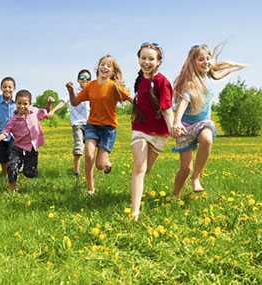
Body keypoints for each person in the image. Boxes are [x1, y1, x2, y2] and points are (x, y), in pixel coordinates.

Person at [172, 44, 246, 197]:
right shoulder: (190, 83)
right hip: (185, 126)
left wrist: (234, 65)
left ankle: (196, 177)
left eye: (208, 58)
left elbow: (220, 71)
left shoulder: (209, 76)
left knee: (207, 139)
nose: (205, 61)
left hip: (203, 123)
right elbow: (182, 103)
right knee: (185, 168)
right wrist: (177, 122)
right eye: (201, 59)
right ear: (193, 62)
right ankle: (174, 196)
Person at [66, 54, 131, 195]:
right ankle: (90, 189)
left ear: (113, 72)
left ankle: (106, 163)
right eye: (103, 64)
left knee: (100, 165)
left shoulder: (114, 87)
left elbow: (131, 99)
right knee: (88, 155)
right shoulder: (91, 86)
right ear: (98, 67)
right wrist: (71, 92)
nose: (105, 67)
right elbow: (75, 102)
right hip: (92, 125)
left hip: (108, 129)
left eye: (109, 65)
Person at [129, 42, 174, 220]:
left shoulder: (163, 82)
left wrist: (173, 130)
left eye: (151, 59)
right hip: (140, 129)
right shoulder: (139, 80)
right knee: (139, 167)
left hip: (159, 133)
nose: (146, 62)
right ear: (139, 59)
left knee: (145, 169)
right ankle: (135, 212)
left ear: (158, 61)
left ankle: (135, 190)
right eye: (143, 58)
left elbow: (167, 109)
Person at [0, 90, 63, 191]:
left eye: (25, 104)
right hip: (17, 147)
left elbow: (46, 113)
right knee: (12, 166)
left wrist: (49, 104)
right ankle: (12, 188)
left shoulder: (34, 112)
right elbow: (6, 131)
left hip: (31, 148)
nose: (22, 106)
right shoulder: (13, 120)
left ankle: (23, 168)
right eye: (19, 103)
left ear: (30, 104)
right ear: (15, 103)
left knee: (30, 173)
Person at [57, 69, 92, 177]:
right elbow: (64, 101)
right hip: (77, 123)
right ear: (78, 80)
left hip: (91, 124)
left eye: (87, 78)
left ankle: (89, 171)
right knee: (78, 146)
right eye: (82, 78)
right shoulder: (74, 90)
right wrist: (53, 110)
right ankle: (76, 172)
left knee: (90, 148)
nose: (84, 80)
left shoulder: (92, 90)